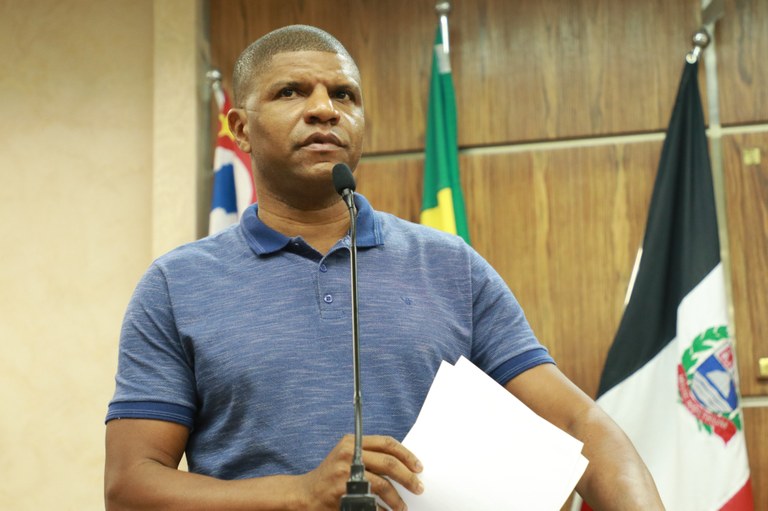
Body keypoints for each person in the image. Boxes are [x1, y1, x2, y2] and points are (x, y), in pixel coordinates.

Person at [104, 24, 663, 511]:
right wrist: (299, 494)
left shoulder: (449, 265)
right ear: (241, 129)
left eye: (343, 94)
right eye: (290, 91)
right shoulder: (176, 285)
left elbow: (580, 426)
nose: (325, 109)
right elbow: (130, 487)